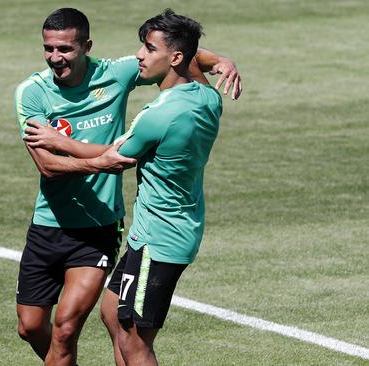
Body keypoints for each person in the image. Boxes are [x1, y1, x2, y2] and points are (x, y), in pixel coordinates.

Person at [15, 8, 239, 366]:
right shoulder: (206, 97)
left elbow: (118, 155)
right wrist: (221, 60)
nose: (139, 56)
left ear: (86, 46)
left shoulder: (156, 114)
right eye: (49, 48)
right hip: (147, 232)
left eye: (149, 49)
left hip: (151, 235)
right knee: (106, 314)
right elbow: (191, 61)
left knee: (124, 339)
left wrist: (64, 142)